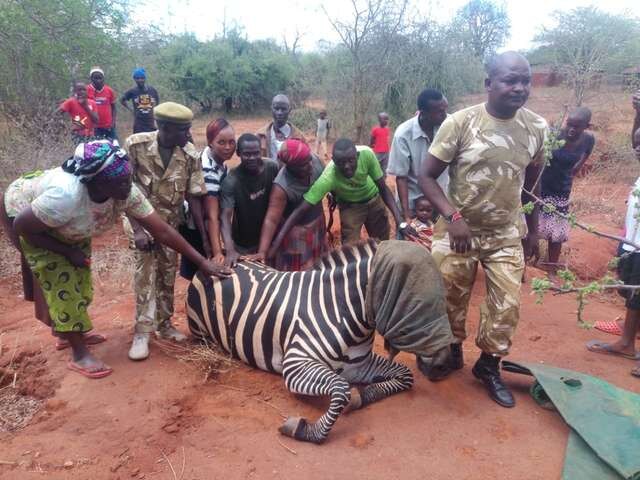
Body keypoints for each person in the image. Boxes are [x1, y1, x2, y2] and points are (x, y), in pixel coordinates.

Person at [0, 140, 230, 379]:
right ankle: (79, 354)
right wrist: (67, 252)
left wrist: (203, 262)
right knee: (64, 288)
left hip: (69, 227)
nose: (127, 186)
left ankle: (67, 334)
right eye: (120, 182)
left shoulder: (124, 189)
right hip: (33, 225)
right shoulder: (65, 197)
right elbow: (22, 227)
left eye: (128, 179)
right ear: (97, 183)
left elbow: (162, 230)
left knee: (81, 284)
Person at [418, 52, 549, 408]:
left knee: (506, 304)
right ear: (489, 83)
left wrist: (532, 230)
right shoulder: (460, 123)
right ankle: (451, 350)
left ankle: (489, 366)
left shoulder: (537, 127)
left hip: (506, 233)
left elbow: (531, 184)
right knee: (448, 299)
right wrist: (453, 217)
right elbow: (426, 175)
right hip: (458, 230)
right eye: (510, 80)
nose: (519, 88)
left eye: (525, 80)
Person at [125, 102, 209, 361]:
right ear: (164, 127)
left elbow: (194, 198)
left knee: (167, 274)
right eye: (183, 130)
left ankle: (164, 324)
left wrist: (205, 239)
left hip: (170, 225)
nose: (188, 134)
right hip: (141, 223)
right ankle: (142, 332)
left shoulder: (190, 154)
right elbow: (123, 190)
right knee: (146, 273)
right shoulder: (135, 146)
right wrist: (138, 231)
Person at [269, 138, 412, 251]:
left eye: (351, 161)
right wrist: (275, 243)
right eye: (341, 163)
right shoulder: (328, 177)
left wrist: (400, 221)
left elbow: (383, 188)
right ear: (333, 161)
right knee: (349, 250)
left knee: (382, 244)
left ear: (357, 156)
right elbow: (301, 210)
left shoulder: (367, 154)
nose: (347, 166)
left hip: (374, 199)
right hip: (351, 207)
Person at [586, 90, 640, 379]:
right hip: (635, 242)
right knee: (633, 295)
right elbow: (636, 141)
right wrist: (638, 114)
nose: (638, 148)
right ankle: (627, 343)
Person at [248, 139, 327, 270]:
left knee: (320, 265)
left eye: (309, 160)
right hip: (296, 235)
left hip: (318, 225)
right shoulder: (281, 187)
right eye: (304, 164)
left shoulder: (315, 161)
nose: (310, 165)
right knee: (298, 274)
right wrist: (263, 250)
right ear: (291, 167)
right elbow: (271, 220)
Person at [539, 108, 595, 275]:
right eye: (569, 124)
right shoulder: (553, 134)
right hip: (541, 187)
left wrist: (574, 171)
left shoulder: (588, 140)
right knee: (530, 227)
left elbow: (584, 156)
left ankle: (552, 270)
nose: (571, 129)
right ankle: (526, 264)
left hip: (562, 191)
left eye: (577, 126)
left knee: (556, 234)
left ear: (587, 126)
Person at [179, 118, 235, 279]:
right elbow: (211, 216)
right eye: (221, 142)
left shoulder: (216, 161)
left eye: (232, 142)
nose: (228, 147)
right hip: (197, 227)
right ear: (210, 142)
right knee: (204, 273)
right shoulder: (208, 169)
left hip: (204, 224)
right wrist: (217, 251)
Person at [387, 88, 449, 222]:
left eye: (445, 109)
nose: (445, 115)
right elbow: (401, 177)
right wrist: (407, 215)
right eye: (440, 112)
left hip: (443, 202)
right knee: (410, 240)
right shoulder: (403, 134)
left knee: (441, 242)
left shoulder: (450, 126)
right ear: (424, 112)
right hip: (414, 205)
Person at [220, 133, 280, 267]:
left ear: (261, 151)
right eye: (247, 154)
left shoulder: (272, 167)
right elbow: (225, 217)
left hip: (271, 239)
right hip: (243, 245)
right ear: (238, 153)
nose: (252, 158)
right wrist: (230, 250)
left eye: (256, 153)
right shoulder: (231, 181)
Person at [256, 94, 306, 160]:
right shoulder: (260, 135)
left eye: (283, 109)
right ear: (271, 109)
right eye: (276, 109)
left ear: (289, 110)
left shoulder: (299, 138)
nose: (279, 113)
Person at [120, 68, 159, 134]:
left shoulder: (152, 90)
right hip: (139, 124)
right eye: (137, 78)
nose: (140, 80)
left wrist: (155, 112)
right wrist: (131, 109)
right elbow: (122, 100)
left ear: (145, 78)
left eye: (142, 78)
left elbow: (157, 100)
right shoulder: (132, 91)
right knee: (138, 142)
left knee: (152, 142)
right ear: (134, 79)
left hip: (151, 123)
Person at [87, 67, 117, 141]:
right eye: (95, 78)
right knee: (96, 149)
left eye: (100, 78)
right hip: (94, 127)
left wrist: (113, 123)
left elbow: (114, 108)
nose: (98, 81)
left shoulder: (109, 90)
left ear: (103, 78)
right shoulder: (86, 90)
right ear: (91, 79)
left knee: (115, 147)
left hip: (108, 126)